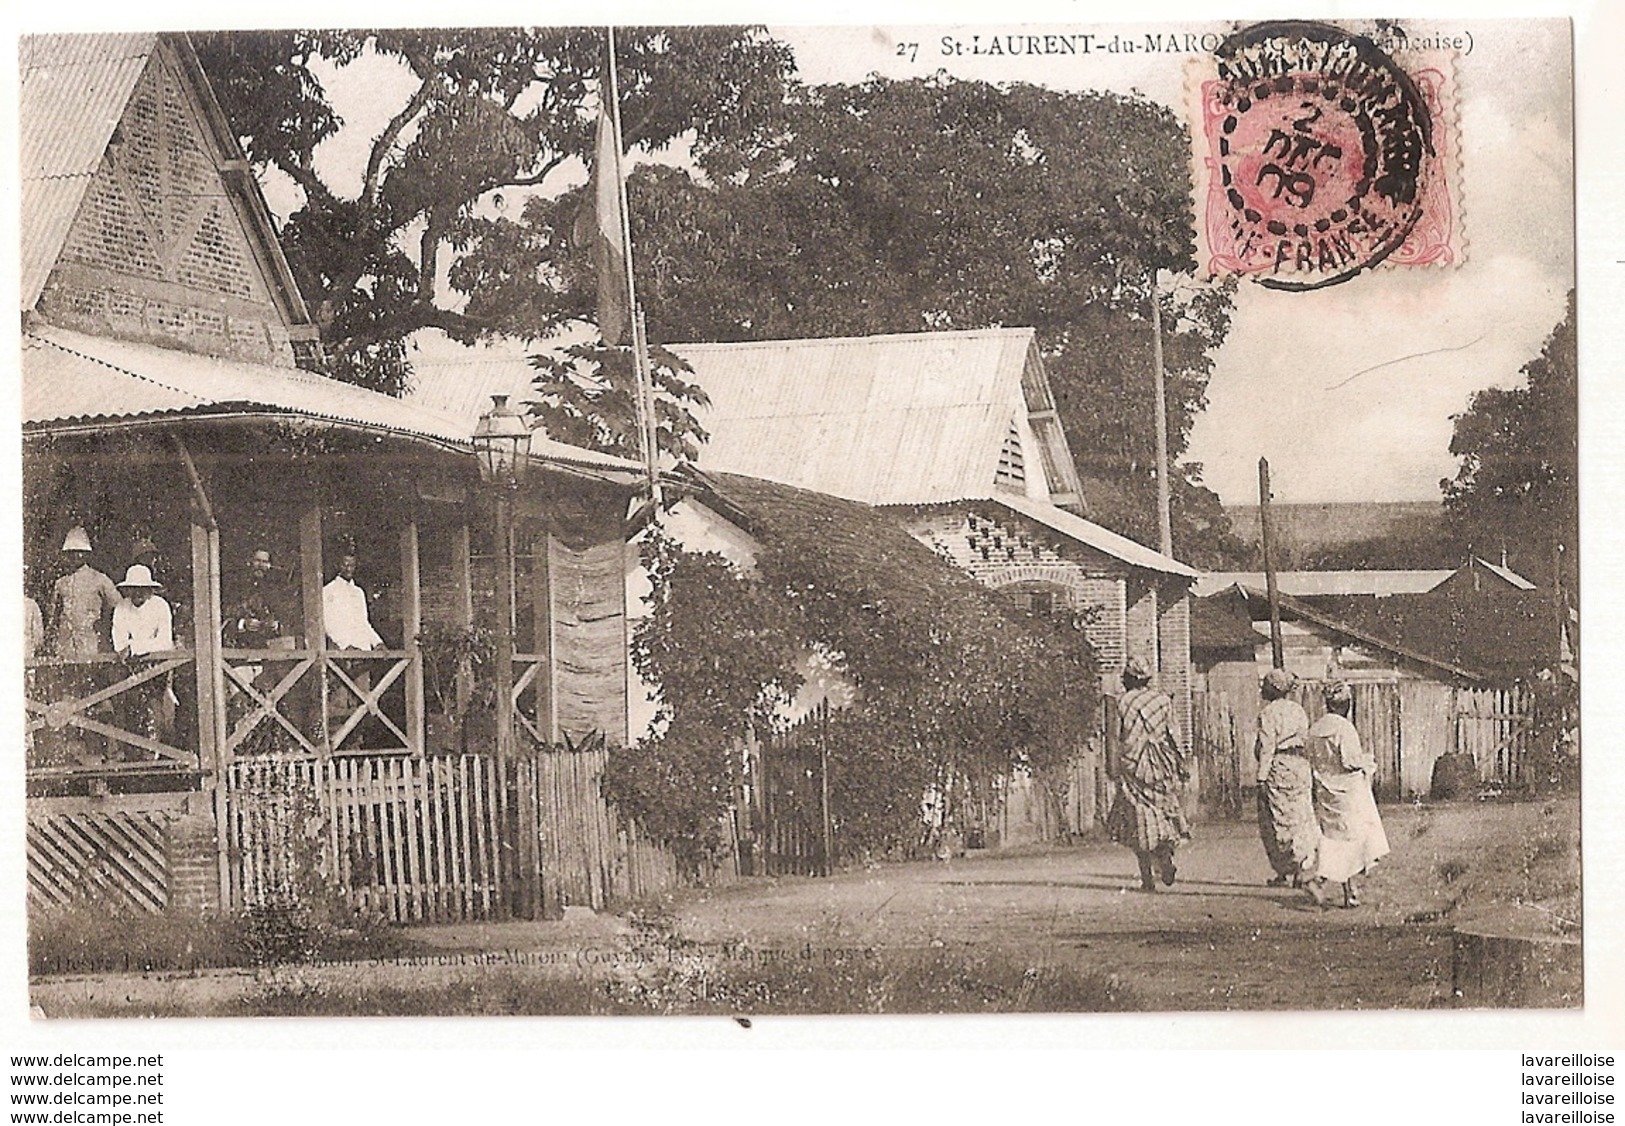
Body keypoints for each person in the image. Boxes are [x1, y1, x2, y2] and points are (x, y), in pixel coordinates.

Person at [1106, 657, 1191, 892]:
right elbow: (1174, 734)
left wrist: (1112, 768)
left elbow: (1113, 738)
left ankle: (1147, 879)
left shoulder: (1120, 703)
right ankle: (1165, 855)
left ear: (1129, 679)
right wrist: (1182, 762)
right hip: (1161, 767)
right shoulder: (1162, 701)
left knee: (1138, 821)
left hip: (1133, 768)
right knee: (1164, 813)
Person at [1305, 681, 1390, 908]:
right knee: (1352, 840)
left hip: (1326, 791)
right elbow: (1349, 761)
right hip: (1347, 792)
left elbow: (1312, 759)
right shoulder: (1344, 729)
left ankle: (1350, 891)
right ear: (1347, 705)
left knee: (1336, 839)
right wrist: (1367, 761)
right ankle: (1319, 880)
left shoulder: (1315, 729)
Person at [1254, 667, 1318, 888]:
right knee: (1300, 816)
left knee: (1277, 818)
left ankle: (1288, 869)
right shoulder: (1298, 710)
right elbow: (1305, 739)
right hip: (1300, 766)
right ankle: (1299, 868)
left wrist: (1261, 777)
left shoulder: (1268, 714)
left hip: (1279, 766)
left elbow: (1267, 747)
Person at [111, 564, 176, 748]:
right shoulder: (121, 608)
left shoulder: (160, 606)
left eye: (143, 589)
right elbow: (119, 642)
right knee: (129, 709)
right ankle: (132, 753)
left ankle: (158, 752)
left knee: (158, 710)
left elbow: (164, 642)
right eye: (134, 588)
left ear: (150, 590)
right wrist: (129, 649)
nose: (138, 593)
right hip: (132, 667)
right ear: (128, 589)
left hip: (158, 666)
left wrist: (135, 647)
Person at [47, 526, 121, 657]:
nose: (76, 555)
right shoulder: (61, 583)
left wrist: (104, 628)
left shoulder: (99, 579)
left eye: (80, 551)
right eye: (71, 552)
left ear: (87, 553)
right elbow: (54, 617)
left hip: (91, 645)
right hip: (65, 648)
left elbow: (120, 607)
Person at [322, 550, 384, 651]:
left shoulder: (358, 592)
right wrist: (345, 645)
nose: (349, 569)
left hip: (363, 649)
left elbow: (364, 622)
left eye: (352, 565)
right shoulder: (328, 591)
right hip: (342, 651)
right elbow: (328, 624)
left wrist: (377, 642)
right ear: (338, 565)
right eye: (345, 565)